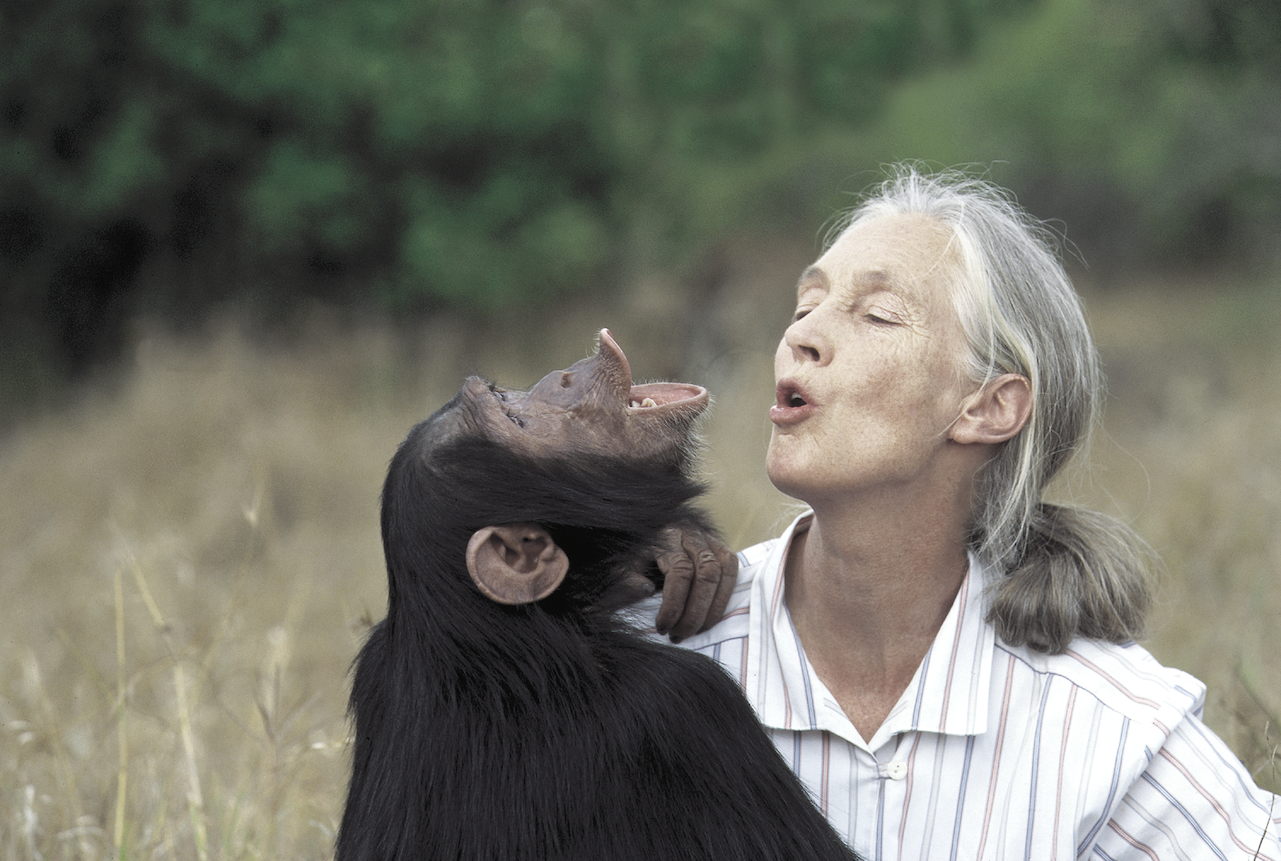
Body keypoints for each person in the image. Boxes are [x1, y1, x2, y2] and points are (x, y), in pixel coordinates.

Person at [645, 165, 1281, 860]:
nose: (802, 336)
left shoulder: (1109, 727)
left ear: (987, 406)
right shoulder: (654, 651)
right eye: (803, 307)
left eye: (876, 315)